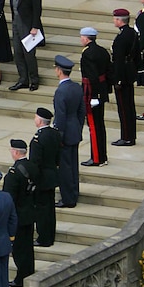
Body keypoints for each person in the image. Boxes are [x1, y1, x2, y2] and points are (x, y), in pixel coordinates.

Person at [3, 139, 37, 287]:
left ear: (16, 152)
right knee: (27, 247)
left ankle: (22, 277)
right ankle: (28, 272)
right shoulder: (32, 166)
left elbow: (8, 199)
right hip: (30, 212)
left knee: (19, 249)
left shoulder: (13, 173)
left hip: (18, 216)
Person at [52, 55, 85, 208]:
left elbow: (60, 116)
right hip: (74, 130)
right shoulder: (76, 87)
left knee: (65, 168)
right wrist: (78, 128)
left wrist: (59, 136)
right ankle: (74, 193)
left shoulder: (61, 91)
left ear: (59, 71)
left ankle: (68, 198)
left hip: (65, 133)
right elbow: (81, 112)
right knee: (73, 165)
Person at [6, 0, 43, 91]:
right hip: (16, 22)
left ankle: (34, 79)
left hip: (27, 25)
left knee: (29, 54)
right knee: (18, 52)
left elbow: (37, 9)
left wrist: (35, 26)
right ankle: (23, 79)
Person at [79, 27, 112, 167]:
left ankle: (97, 158)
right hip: (101, 91)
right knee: (99, 125)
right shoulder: (102, 51)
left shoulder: (88, 54)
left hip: (92, 93)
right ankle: (102, 156)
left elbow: (92, 76)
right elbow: (109, 72)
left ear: (86, 38)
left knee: (94, 126)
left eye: (82, 37)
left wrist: (93, 96)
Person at [30, 107, 61, 247]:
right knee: (49, 208)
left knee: (42, 210)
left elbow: (35, 162)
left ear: (40, 121)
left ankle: (44, 238)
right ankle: (50, 235)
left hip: (41, 178)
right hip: (52, 175)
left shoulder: (38, 138)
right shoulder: (55, 134)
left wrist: (33, 179)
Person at [111, 8, 138, 146]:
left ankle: (127, 137)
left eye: (115, 19)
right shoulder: (132, 32)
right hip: (130, 72)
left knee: (124, 108)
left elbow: (119, 61)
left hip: (123, 75)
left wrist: (117, 79)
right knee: (129, 106)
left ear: (119, 20)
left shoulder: (121, 38)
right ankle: (130, 135)